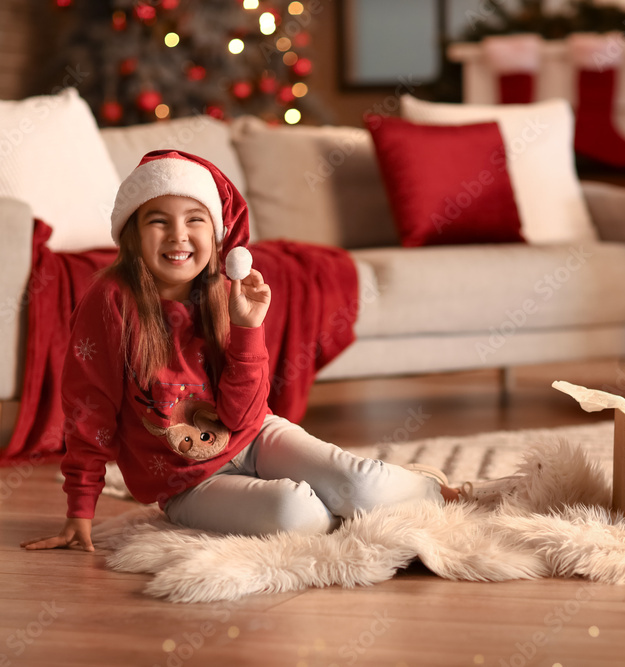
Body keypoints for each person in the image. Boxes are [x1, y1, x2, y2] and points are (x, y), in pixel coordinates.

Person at [22, 150, 454, 552]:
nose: (178, 235)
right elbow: (88, 408)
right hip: (185, 484)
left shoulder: (226, 294)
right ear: (132, 232)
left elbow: (244, 418)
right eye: (158, 220)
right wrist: (80, 508)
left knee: (362, 486)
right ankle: (352, 511)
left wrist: (248, 329)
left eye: (195, 219)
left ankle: (434, 490)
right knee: (293, 513)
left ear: (216, 233)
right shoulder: (109, 299)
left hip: (255, 436)